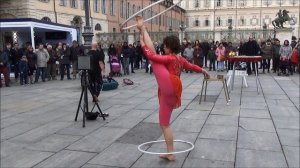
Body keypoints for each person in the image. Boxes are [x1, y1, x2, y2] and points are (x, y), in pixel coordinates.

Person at [136, 16, 210, 161]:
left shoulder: (170, 58)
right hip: (171, 92)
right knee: (164, 124)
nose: (163, 48)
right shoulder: (180, 59)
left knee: (154, 59)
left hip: (170, 84)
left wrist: (142, 44)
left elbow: (151, 55)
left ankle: (143, 29)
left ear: (169, 47)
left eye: (164, 46)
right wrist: (203, 70)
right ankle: (170, 153)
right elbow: (192, 66)